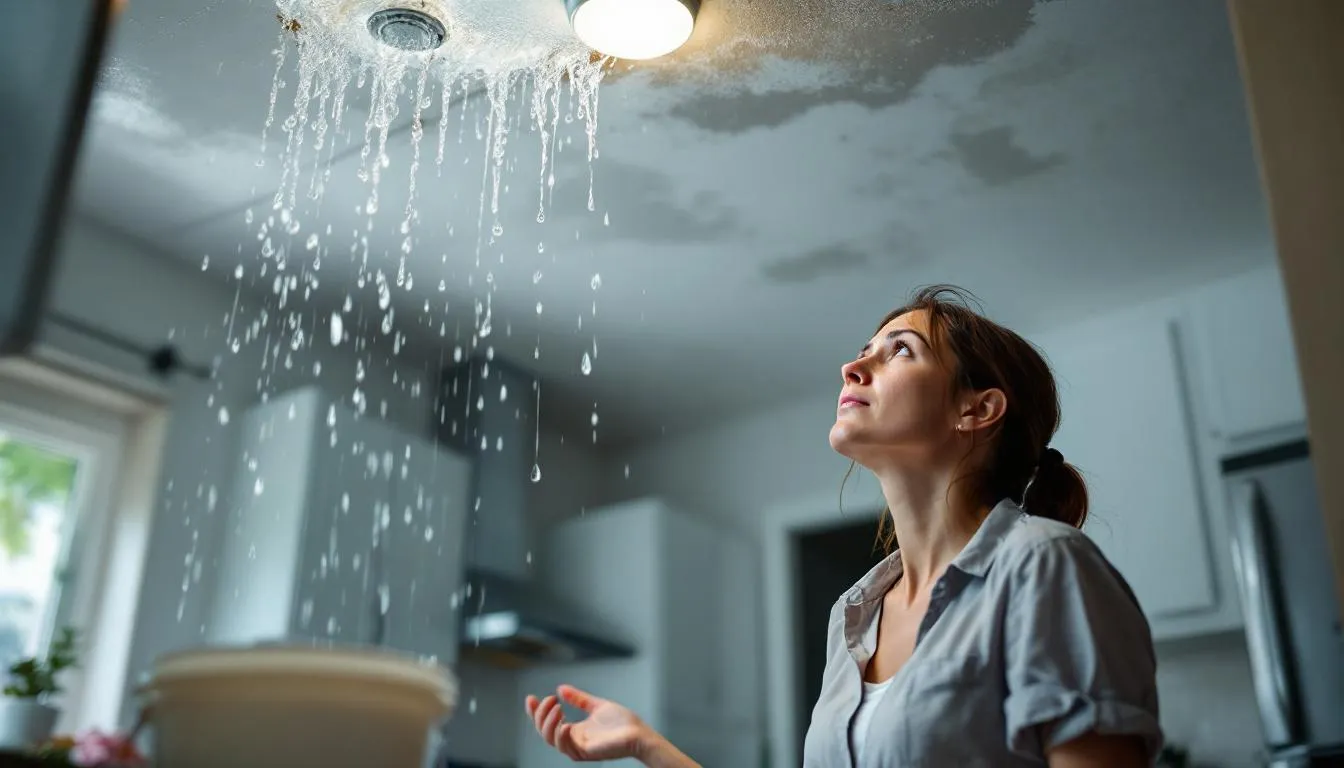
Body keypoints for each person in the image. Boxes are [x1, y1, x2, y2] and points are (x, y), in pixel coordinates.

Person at [524, 285, 1163, 766]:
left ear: (977, 408)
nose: (852, 369)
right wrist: (646, 745)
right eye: (863, 353)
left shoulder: (1043, 565)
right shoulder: (854, 615)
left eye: (899, 352)